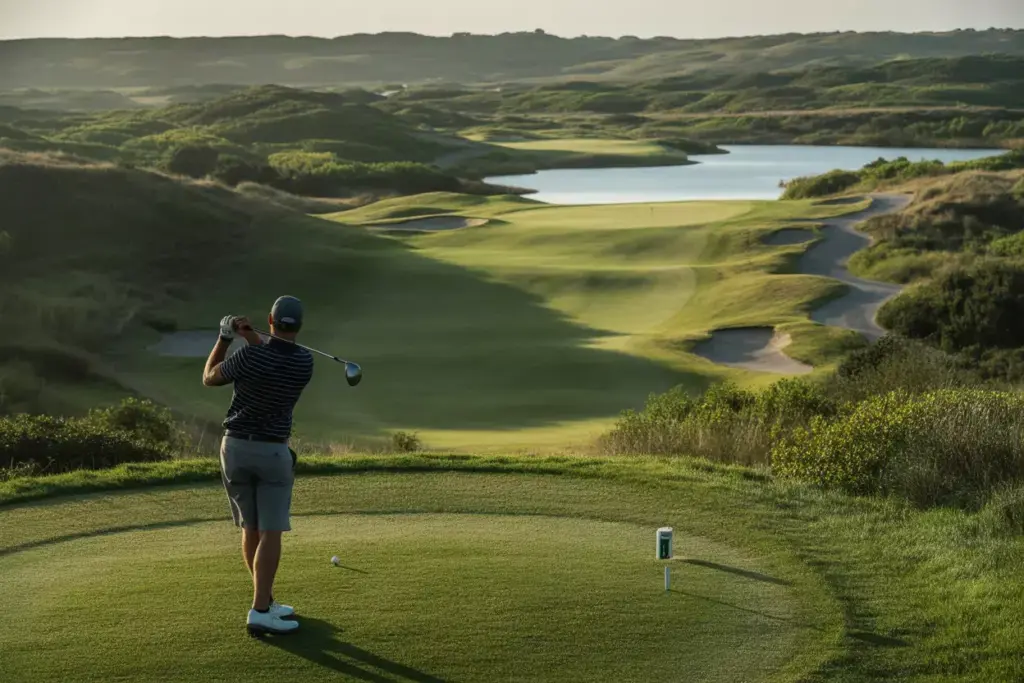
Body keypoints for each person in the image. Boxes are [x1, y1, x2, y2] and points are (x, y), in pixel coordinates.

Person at [202, 295, 314, 636]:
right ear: (300, 326)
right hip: (272, 454)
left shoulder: (250, 355)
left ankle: (265, 600)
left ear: (270, 319)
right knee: (271, 531)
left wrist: (225, 338)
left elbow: (209, 377)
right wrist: (251, 338)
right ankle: (261, 610)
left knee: (251, 528)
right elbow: (274, 354)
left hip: (234, 449)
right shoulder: (304, 363)